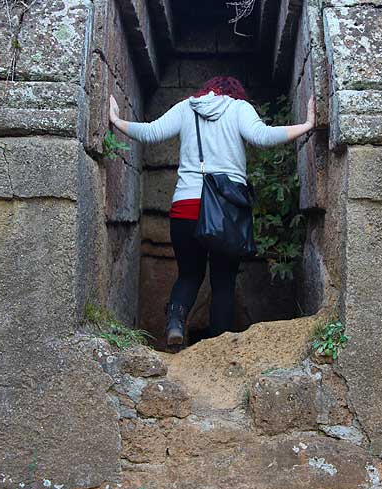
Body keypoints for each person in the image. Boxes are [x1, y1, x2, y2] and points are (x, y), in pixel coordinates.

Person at [109, 76, 316, 349]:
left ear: (207, 90)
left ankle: (174, 322)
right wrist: (307, 125)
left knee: (189, 274)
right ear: (234, 93)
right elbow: (262, 137)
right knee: (223, 280)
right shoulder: (239, 108)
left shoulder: (187, 107)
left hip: (186, 206)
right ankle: (217, 349)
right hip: (226, 210)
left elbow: (151, 132)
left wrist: (116, 120)